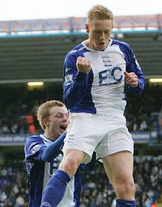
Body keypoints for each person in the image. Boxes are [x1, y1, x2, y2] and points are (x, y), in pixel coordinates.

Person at [41, 4, 145, 207]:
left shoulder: (123, 50)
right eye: (97, 32)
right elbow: (69, 101)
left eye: (107, 32)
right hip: (85, 117)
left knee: (127, 186)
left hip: (115, 120)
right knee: (69, 163)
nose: (102, 38)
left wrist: (135, 83)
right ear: (88, 28)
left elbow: (139, 84)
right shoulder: (75, 56)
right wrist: (82, 74)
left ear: (112, 28)